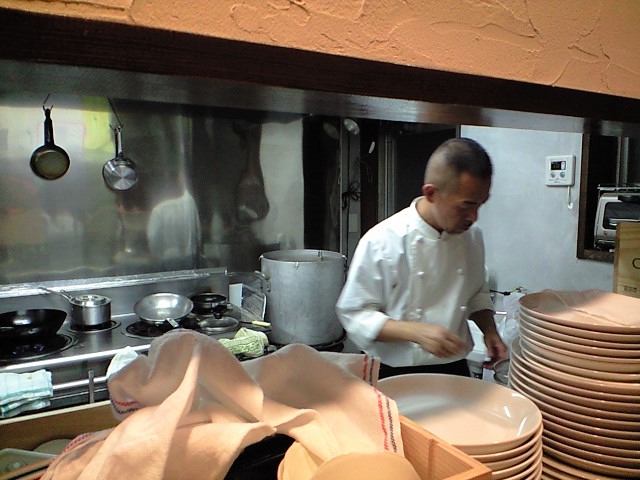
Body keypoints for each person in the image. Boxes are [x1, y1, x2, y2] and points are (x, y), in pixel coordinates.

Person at [336, 137, 507, 378]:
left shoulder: (472, 237)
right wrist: (416, 332)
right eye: (465, 206)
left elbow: (477, 292)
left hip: (454, 367)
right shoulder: (382, 241)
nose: (474, 216)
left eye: (480, 205)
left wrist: (490, 331)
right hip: (392, 370)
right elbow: (354, 313)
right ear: (431, 193)